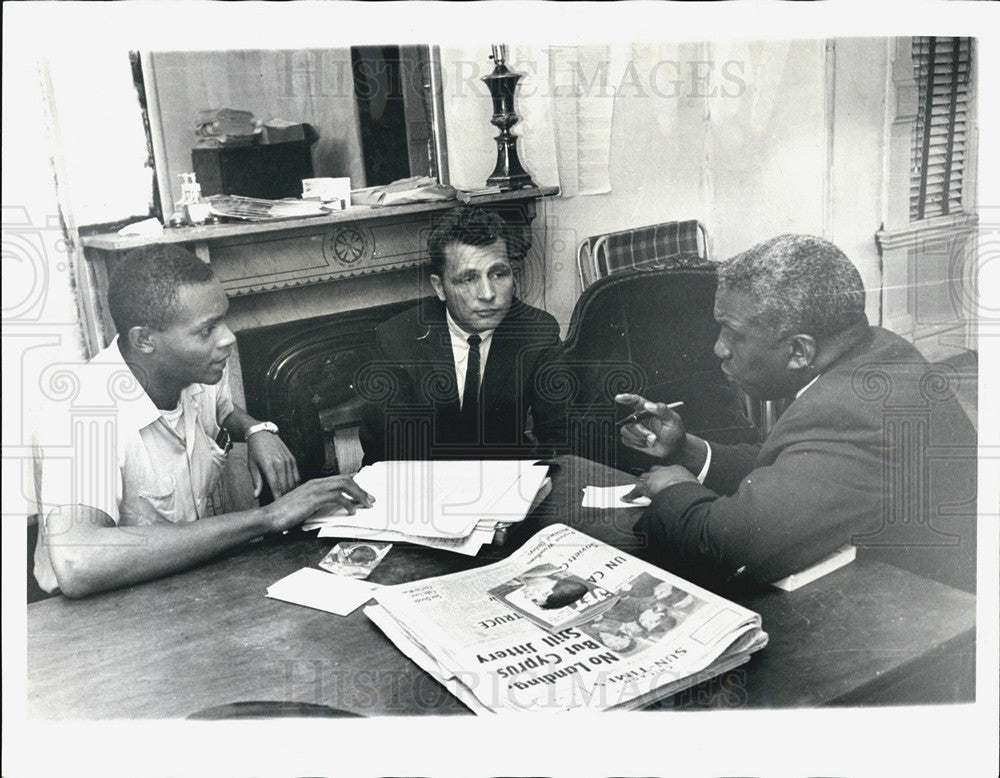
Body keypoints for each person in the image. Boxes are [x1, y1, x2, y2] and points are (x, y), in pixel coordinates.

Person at [618, 234, 976, 593]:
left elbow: (722, 550)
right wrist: (689, 452)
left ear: (799, 351)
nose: (719, 349)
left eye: (734, 334)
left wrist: (672, 486)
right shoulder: (877, 349)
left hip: (936, 614)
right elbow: (797, 470)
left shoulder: (849, 417)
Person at [32, 245, 373, 598]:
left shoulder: (196, 371)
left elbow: (224, 411)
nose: (228, 338)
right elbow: (78, 562)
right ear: (144, 340)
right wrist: (269, 517)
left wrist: (255, 429)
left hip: (181, 584)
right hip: (90, 617)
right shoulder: (80, 414)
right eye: (207, 329)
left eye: (223, 319)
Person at [358, 206, 566, 464]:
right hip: (425, 485)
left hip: (510, 483)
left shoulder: (538, 331)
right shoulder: (397, 338)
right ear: (440, 287)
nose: (488, 294)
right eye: (469, 279)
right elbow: (381, 452)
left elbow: (560, 438)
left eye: (498, 274)